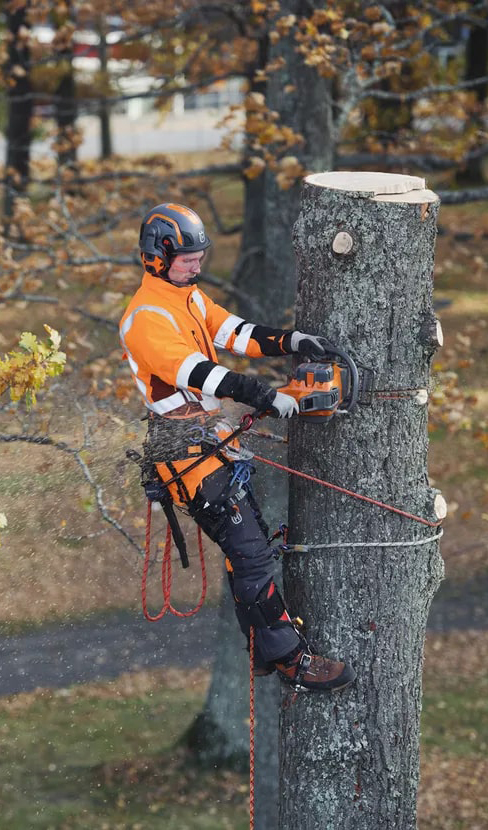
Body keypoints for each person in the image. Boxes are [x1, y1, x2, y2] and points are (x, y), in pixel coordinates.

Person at [119, 202, 354, 692]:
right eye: (187, 259)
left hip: (208, 447)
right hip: (186, 459)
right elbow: (199, 373)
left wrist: (292, 341)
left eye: (199, 257)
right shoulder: (145, 318)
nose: (196, 266)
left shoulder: (186, 297)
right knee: (250, 555)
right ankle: (291, 661)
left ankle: (265, 652)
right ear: (157, 257)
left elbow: (233, 332)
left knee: (250, 550)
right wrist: (264, 395)